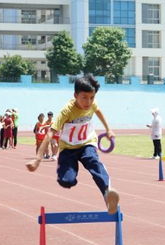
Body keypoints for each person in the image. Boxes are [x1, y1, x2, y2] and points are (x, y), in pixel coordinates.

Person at [26, 74, 119, 214]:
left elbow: (98, 112)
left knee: (93, 161)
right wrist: (38, 159)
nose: (88, 102)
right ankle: (70, 176)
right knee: (66, 181)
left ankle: (108, 195)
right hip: (68, 148)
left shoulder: (92, 104)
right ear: (75, 95)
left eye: (92, 97)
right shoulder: (67, 111)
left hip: (87, 143)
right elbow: (50, 133)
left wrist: (108, 129)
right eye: (84, 98)